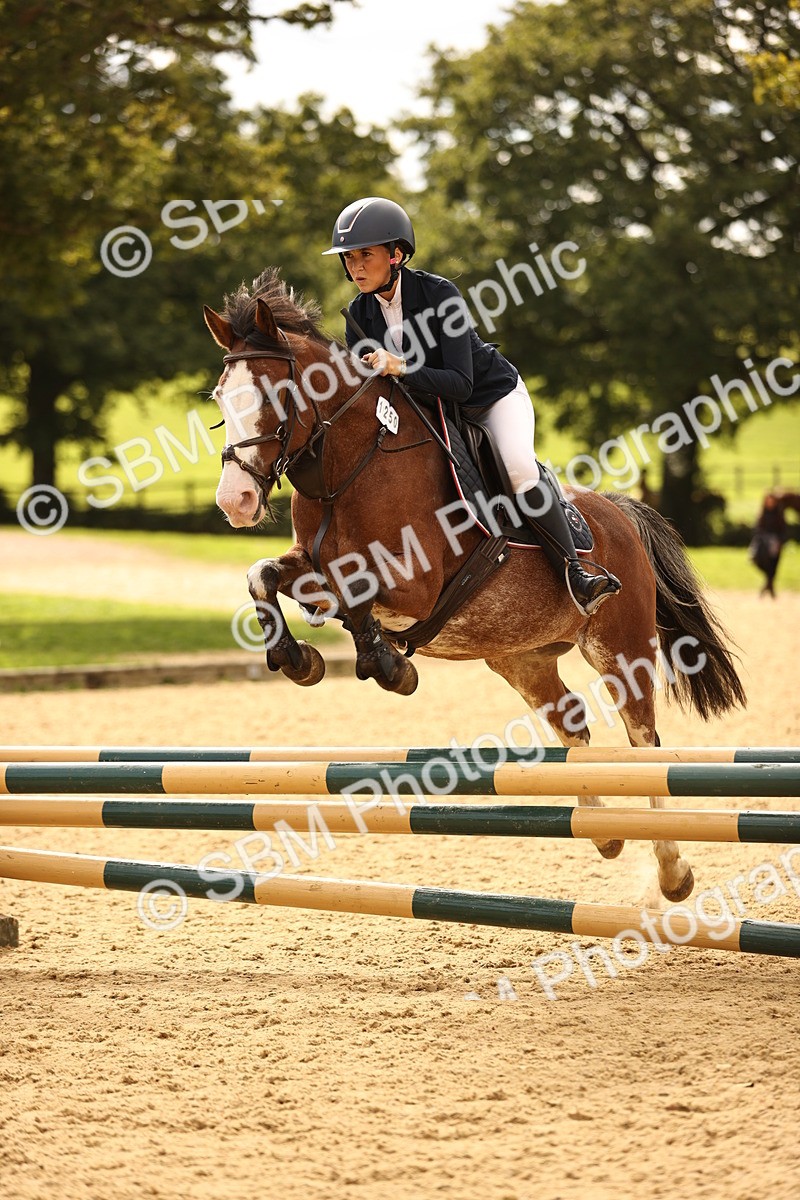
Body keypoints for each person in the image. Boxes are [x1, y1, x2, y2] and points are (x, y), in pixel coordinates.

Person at [322, 196, 621, 616]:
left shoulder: (440, 294)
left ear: (396, 255)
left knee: (517, 468)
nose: (355, 267)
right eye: (349, 258)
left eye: (365, 255)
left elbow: (460, 385)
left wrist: (401, 367)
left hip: (490, 398)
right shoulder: (359, 315)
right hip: (435, 413)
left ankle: (576, 572)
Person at [749, 492, 788, 598]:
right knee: (757, 561)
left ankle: (768, 587)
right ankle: (769, 585)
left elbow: (783, 530)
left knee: (773, 566)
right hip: (762, 543)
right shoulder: (762, 514)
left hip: (775, 543)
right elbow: (758, 529)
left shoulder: (779, 515)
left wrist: (780, 541)